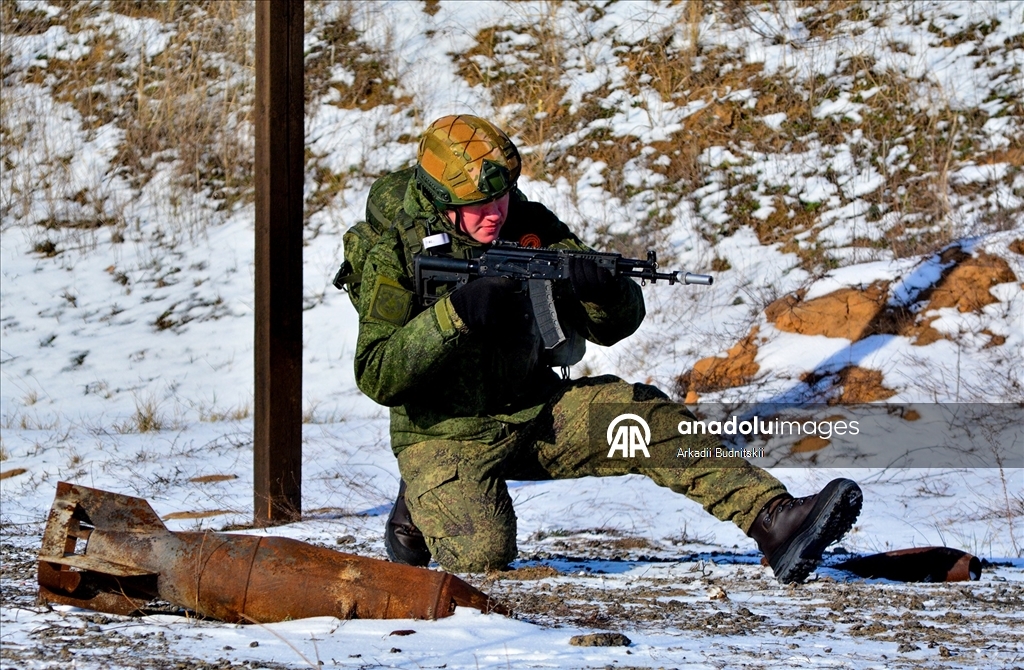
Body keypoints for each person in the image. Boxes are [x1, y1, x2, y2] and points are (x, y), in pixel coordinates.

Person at [353, 115, 862, 584]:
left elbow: (615, 327)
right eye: (477, 206)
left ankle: (772, 518)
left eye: (502, 198)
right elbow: (376, 373)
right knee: (484, 552)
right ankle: (419, 497)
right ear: (442, 202)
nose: (494, 215)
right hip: (443, 434)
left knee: (645, 420)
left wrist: (602, 291)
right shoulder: (396, 251)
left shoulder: (531, 226)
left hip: (535, 414)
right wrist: (455, 314)